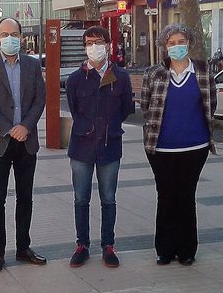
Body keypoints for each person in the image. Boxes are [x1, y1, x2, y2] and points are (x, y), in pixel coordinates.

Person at [0, 17, 47, 273]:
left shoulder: (32, 64)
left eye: (13, 33)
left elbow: (40, 98)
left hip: (26, 142)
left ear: (21, 36)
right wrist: (9, 128)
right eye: (4, 34)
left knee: (25, 197)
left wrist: (25, 126)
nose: (9, 38)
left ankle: (24, 247)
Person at [141, 23, 217, 267]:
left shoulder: (204, 71)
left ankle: (186, 250)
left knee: (186, 197)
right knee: (165, 197)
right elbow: (146, 106)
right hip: (161, 148)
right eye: (171, 43)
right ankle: (164, 249)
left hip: (195, 148)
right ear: (165, 46)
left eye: (181, 41)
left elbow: (210, 104)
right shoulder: (154, 73)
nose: (177, 47)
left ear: (190, 43)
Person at [65, 26, 134, 268]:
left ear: (108, 45)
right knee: (81, 199)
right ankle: (82, 245)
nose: (93, 46)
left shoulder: (121, 77)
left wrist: (109, 128)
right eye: (89, 42)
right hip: (81, 147)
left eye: (98, 41)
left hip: (110, 146)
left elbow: (126, 109)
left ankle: (108, 245)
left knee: (108, 199)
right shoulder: (75, 80)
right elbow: (75, 110)